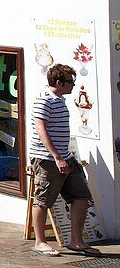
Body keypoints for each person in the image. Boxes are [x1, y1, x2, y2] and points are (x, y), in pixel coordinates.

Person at [30, 64, 102, 257]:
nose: (73, 85)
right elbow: (41, 129)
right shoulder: (43, 100)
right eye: (71, 82)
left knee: (82, 197)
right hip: (48, 159)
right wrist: (56, 157)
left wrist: (66, 157)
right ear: (59, 82)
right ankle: (40, 242)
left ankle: (76, 241)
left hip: (66, 157)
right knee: (43, 200)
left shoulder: (60, 100)